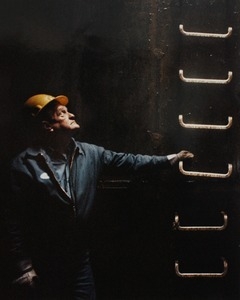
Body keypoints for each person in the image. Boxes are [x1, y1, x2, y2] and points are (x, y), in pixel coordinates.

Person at [6, 94, 194, 299]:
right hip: (45, 262)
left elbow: (130, 161)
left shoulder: (89, 154)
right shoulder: (23, 165)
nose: (71, 114)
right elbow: (11, 220)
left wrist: (170, 159)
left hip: (79, 260)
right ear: (47, 126)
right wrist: (24, 267)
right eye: (62, 113)